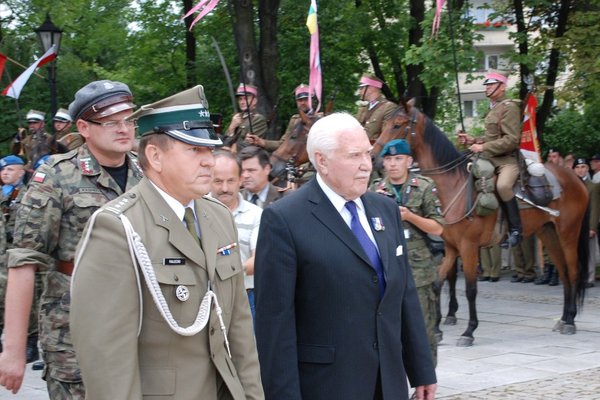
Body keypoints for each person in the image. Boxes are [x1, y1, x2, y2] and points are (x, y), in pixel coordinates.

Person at [70, 86, 264, 399]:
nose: (209, 162)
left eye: (209, 151)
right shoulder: (117, 228)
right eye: (194, 150)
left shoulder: (218, 216)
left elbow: (240, 329)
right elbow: (107, 358)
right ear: (155, 156)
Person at [255, 112, 437, 400]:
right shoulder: (285, 220)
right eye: (354, 156)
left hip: (388, 383)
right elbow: (275, 325)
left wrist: (421, 370)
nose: (367, 165)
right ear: (322, 161)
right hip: (328, 384)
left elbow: (404, 296)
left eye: (367, 153)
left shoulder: (385, 210)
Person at [0, 80, 143, 398]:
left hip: (138, 323)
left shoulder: (146, 175)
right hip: (74, 324)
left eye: (128, 119)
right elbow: (24, 261)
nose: (124, 129)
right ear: (84, 127)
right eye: (110, 122)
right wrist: (13, 349)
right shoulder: (56, 176)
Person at [369, 138, 444, 367]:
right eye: (388, 159)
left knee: (423, 327)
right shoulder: (375, 191)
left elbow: (438, 227)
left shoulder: (424, 186)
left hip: (420, 271)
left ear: (409, 161)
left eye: (398, 159)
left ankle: (426, 378)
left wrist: (410, 216)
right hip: (388, 270)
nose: (392, 164)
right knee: (389, 328)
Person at [458, 71, 522, 249]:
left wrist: (483, 147)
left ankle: (516, 230)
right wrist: (473, 140)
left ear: (502, 87)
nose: (487, 87)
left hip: (506, 161)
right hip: (489, 159)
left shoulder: (509, 107)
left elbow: (511, 140)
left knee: (502, 186)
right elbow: (492, 137)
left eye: (491, 84)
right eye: (486, 85)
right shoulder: (493, 108)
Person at [210, 150, 263, 320]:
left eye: (231, 181)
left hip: (246, 297)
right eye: (218, 181)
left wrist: (225, 273)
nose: (224, 188)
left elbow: (259, 259)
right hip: (208, 297)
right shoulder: (193, 211)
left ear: (240, 180)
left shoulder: (256, 215)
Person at [0, 155, 40, 364]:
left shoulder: (27, 194)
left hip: (19, 253)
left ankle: (31, 341)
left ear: (21, 172)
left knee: (27, 298)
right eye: (3, 170)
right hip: (3, 254)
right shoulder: (2, 194)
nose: (5, 173)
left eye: (10, 170)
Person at [249, 83, 321, 152]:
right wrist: (261, 142)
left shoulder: (320, 119)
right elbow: (283, 144)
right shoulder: (295, 119)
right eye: (300, 100)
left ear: (312, 100)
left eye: (306, 99)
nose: (302, 103)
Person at [573, 158, 599, 288]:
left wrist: (592, 227)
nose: (580, 170)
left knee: (589, 251)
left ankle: (589, 277)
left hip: (587, 224)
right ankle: (578, 275)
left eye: (583, 167)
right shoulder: (570, 186)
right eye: (577, 167)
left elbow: (595, 208)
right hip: (574, 225)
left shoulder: (593, 186)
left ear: (588, 169)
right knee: (576, 251)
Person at [225, 83, 268, 152]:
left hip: (248, 158)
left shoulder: (258, 119)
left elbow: (248, 145)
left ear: (254, 101)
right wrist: (231, 128)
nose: (242, 102)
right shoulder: (237, 117)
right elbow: (225, 141)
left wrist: (229, 147)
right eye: (240, 99)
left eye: (246, 99)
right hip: (231, 155)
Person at [355, 74, 397, 142]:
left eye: (362, 88)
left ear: (371, 88)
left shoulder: (389, 107)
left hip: (375, 150)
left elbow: (387, 135)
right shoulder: (363, 108)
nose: (360, 92)